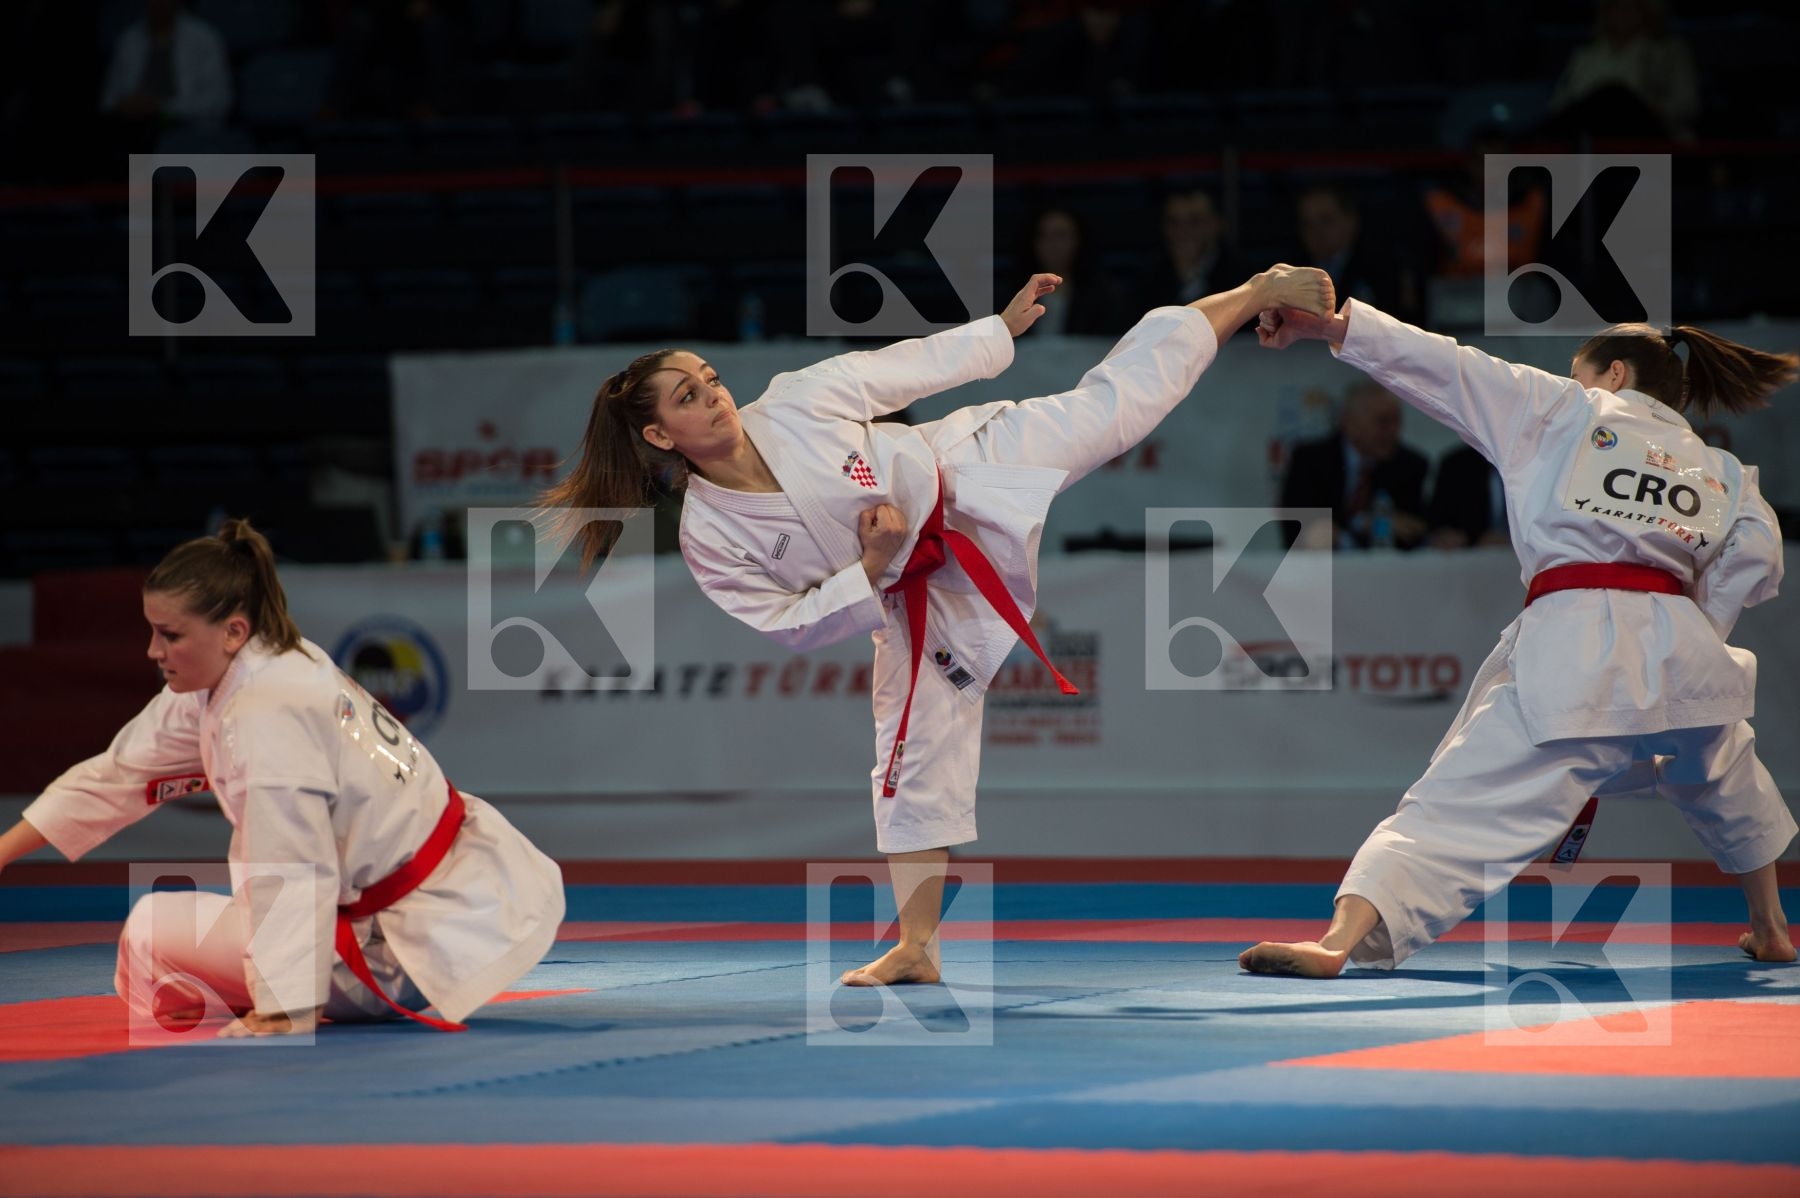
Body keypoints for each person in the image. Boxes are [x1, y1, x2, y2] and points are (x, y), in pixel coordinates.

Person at [543, 265, 1334, 986]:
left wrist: (998, 332)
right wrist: (873, 565)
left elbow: (901, 367)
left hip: (968, 473)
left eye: (710, 379)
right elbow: (788, 624)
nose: (715, 396)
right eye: (689, 398)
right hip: (915, 595)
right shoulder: (711, 536)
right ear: (658, 437)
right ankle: (917, 945)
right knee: (911, 753)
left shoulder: (794, 400)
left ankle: (1253, 292)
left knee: (1119, 404)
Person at [1242, 298, 1798, 977]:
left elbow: (1446, 367)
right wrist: (1688, 632)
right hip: (1684, 646)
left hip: (1577, 646)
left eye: (1581, 371)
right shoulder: (1722, 469)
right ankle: (1772, 929)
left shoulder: (1568, 410)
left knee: (1457, 802)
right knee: (1726, 773)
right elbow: (1757, 560)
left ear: (1615, 374)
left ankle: (1336, 944)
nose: (1575, 380)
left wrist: (1333, 326)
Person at [0, 522, 566, 1036]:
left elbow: (293, 870)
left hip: (396, 949)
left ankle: (293, 999)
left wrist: (282, 1008)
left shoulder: (265, 715)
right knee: (181, 920)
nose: (153, 651)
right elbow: (117, 776)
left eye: (170, 635)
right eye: (152, 632)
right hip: (455, 911)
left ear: (231, 630)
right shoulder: (269, 663)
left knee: (148, 930)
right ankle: (283, 992)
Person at [1279, 380, 1429, 549]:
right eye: (1383, 422)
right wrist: (1366, 525)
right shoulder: (1310, 460)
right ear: (1349, 423)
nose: (1393, 431)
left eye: (1397, 421)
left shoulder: (1410, 465)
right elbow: (1296, 529)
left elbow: (1414, 530)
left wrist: (1373, 526)